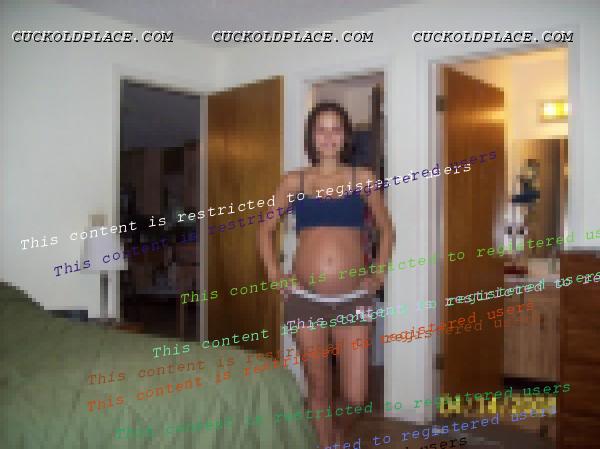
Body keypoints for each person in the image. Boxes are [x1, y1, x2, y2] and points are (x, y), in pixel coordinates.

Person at [258, 101, 395, 446]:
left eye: (336, 129)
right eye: (322, 129)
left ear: (345, 136)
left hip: (354, 299)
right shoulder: (294, 181)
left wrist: (379, 273)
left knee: (356, 396)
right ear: (312, 136)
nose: (329, 136)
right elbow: (265, 229)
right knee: (318, 388)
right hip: (305, 300)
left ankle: (336, 434)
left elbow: (387, 229)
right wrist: (275, 274)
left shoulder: (363, 178)